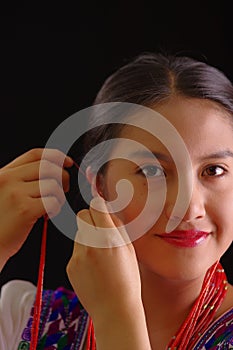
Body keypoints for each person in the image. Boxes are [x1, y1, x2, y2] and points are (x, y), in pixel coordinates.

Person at [0, 51, 233, 349]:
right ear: (99, 185)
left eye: (214, 170)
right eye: (151, 171)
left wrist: (117, 317)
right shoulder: (22, 320)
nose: (189, 209)